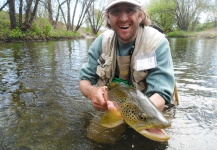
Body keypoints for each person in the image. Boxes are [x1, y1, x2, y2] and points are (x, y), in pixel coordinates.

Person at [79, 0, 176, 112]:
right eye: (116, 11)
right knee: (92, 130)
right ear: (108, 18)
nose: (123, 18)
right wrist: (92, 92)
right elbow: (84, 80)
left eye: (130, 10)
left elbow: (160, 95)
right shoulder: (101, 42)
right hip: (113, 109)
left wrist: (132, 114)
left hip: (150, 110)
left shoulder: (157, 43)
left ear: (140, 15)